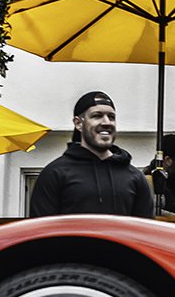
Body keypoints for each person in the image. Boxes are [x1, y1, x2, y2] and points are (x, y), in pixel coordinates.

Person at [28, 90, 156, 219]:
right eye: (97, 116)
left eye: (111, 117)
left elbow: (145, 232)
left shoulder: (134, 177)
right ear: (78, 123)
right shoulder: (55, 173)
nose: (106, 122)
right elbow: (40, 232)